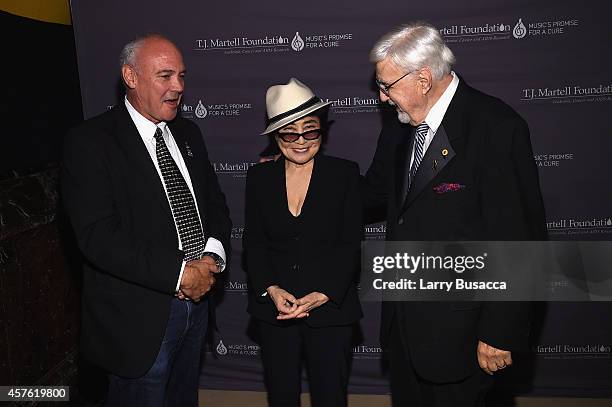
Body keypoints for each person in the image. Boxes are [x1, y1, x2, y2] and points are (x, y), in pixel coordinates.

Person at [363, 22, 547, 406]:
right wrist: (304, 171)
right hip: (404, 331)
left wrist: (500, 331)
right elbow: (370, 195)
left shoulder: (496, 127)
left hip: (464, 334)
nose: (382, 98)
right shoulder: (399, 130)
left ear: (424, 79)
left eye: (387, 85)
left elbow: (519, 240)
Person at [61, 34, 231, 407]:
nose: (178, 87)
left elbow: (214, 206)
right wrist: (180, 274)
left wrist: (212, 258)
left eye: (182, 76)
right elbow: (98, 237)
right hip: (137, 319)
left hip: (198, 306)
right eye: (165, 76)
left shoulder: (189, 133)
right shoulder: (90, 142)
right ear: (130, 76)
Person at [244, 78, 363, 407]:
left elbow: (351, 243)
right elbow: (254, 243)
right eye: (289, 133)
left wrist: (324, 292)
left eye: (310, 131)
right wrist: (271, 288)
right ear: (275, 136)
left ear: (321, 131)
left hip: (331, 311)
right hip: (276, 312)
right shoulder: (259, 179)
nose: (301, 141)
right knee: (282, 397)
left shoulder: (344, 175)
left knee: (330, 397)